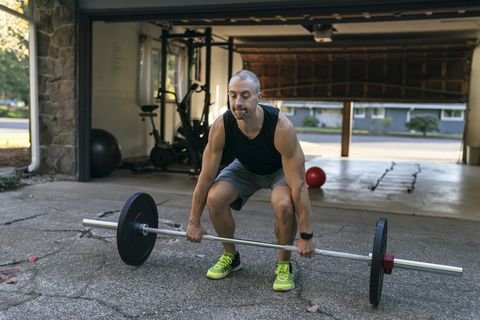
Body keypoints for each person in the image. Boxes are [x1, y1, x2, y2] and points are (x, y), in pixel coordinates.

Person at [186, 70, 315, 292]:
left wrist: (306, 235)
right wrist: (193, 221)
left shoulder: (281, 127)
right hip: (245, 168)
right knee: (215, 198)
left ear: (259, 96)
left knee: (283, 205)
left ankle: (284, 264)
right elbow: (206, 176)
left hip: (278, 171)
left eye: (245, 95)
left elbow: (299, 185)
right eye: (233, 95)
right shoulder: (221, 126)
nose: (238, 102)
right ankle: (230, 256)